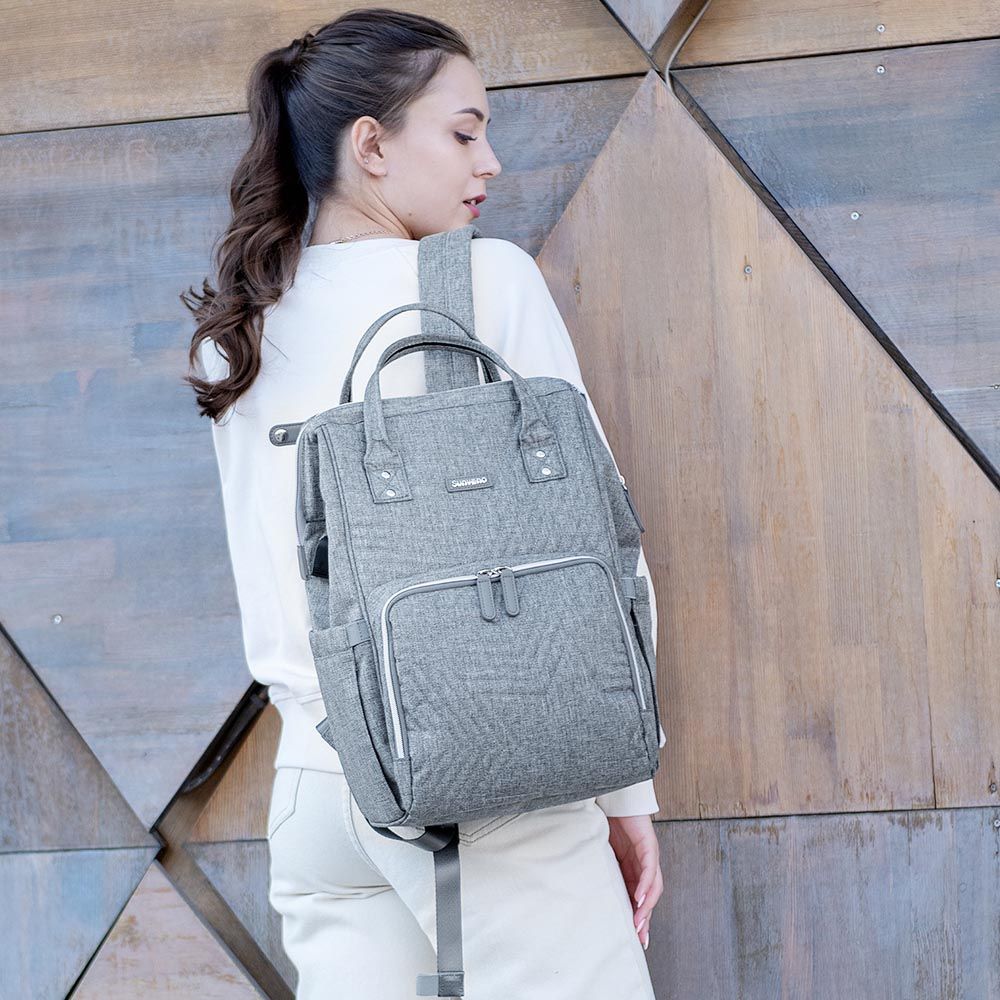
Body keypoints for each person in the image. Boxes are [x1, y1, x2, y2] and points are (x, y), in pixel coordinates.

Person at [183, 8, 666, 998]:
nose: (489, 162)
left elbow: (271, 579)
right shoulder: (484, 282)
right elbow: (598, 549)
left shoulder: (240, 330)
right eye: (463, 132)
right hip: (480, 769)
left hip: (316, 789)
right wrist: (627, 792)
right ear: (371, 146)